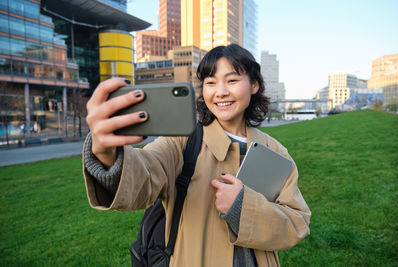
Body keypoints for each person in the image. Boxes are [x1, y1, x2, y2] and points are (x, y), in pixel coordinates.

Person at [83, 44, 311, 267]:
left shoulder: (276, 152)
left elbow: (297, 223)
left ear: (254, 85)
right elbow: (144, 176)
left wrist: (242, 207)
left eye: (231, 80)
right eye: (210, 83)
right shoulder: (183, 141)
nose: (220, 92)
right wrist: (106, 154)